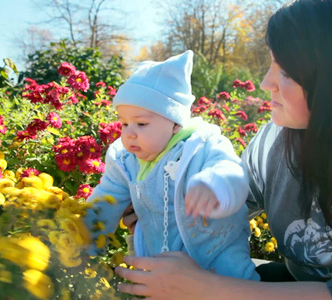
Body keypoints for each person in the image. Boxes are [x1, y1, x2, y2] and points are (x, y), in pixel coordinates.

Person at [115, 0, 332, 299]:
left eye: (285, 72)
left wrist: (203, 286)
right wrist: (165, 202)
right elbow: (231, 202)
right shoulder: (275, 141)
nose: (266, 83)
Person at [84, 50, 259, 281]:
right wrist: (83, 239)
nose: (129, 134)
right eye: (124, 123)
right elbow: (106, 199)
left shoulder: (201, 146)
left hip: (216, 257)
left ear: (176, 124)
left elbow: (231, 170)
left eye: (141, 123)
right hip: (159, 263)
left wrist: (214, 185)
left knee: (233, 282)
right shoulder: (124, 161)